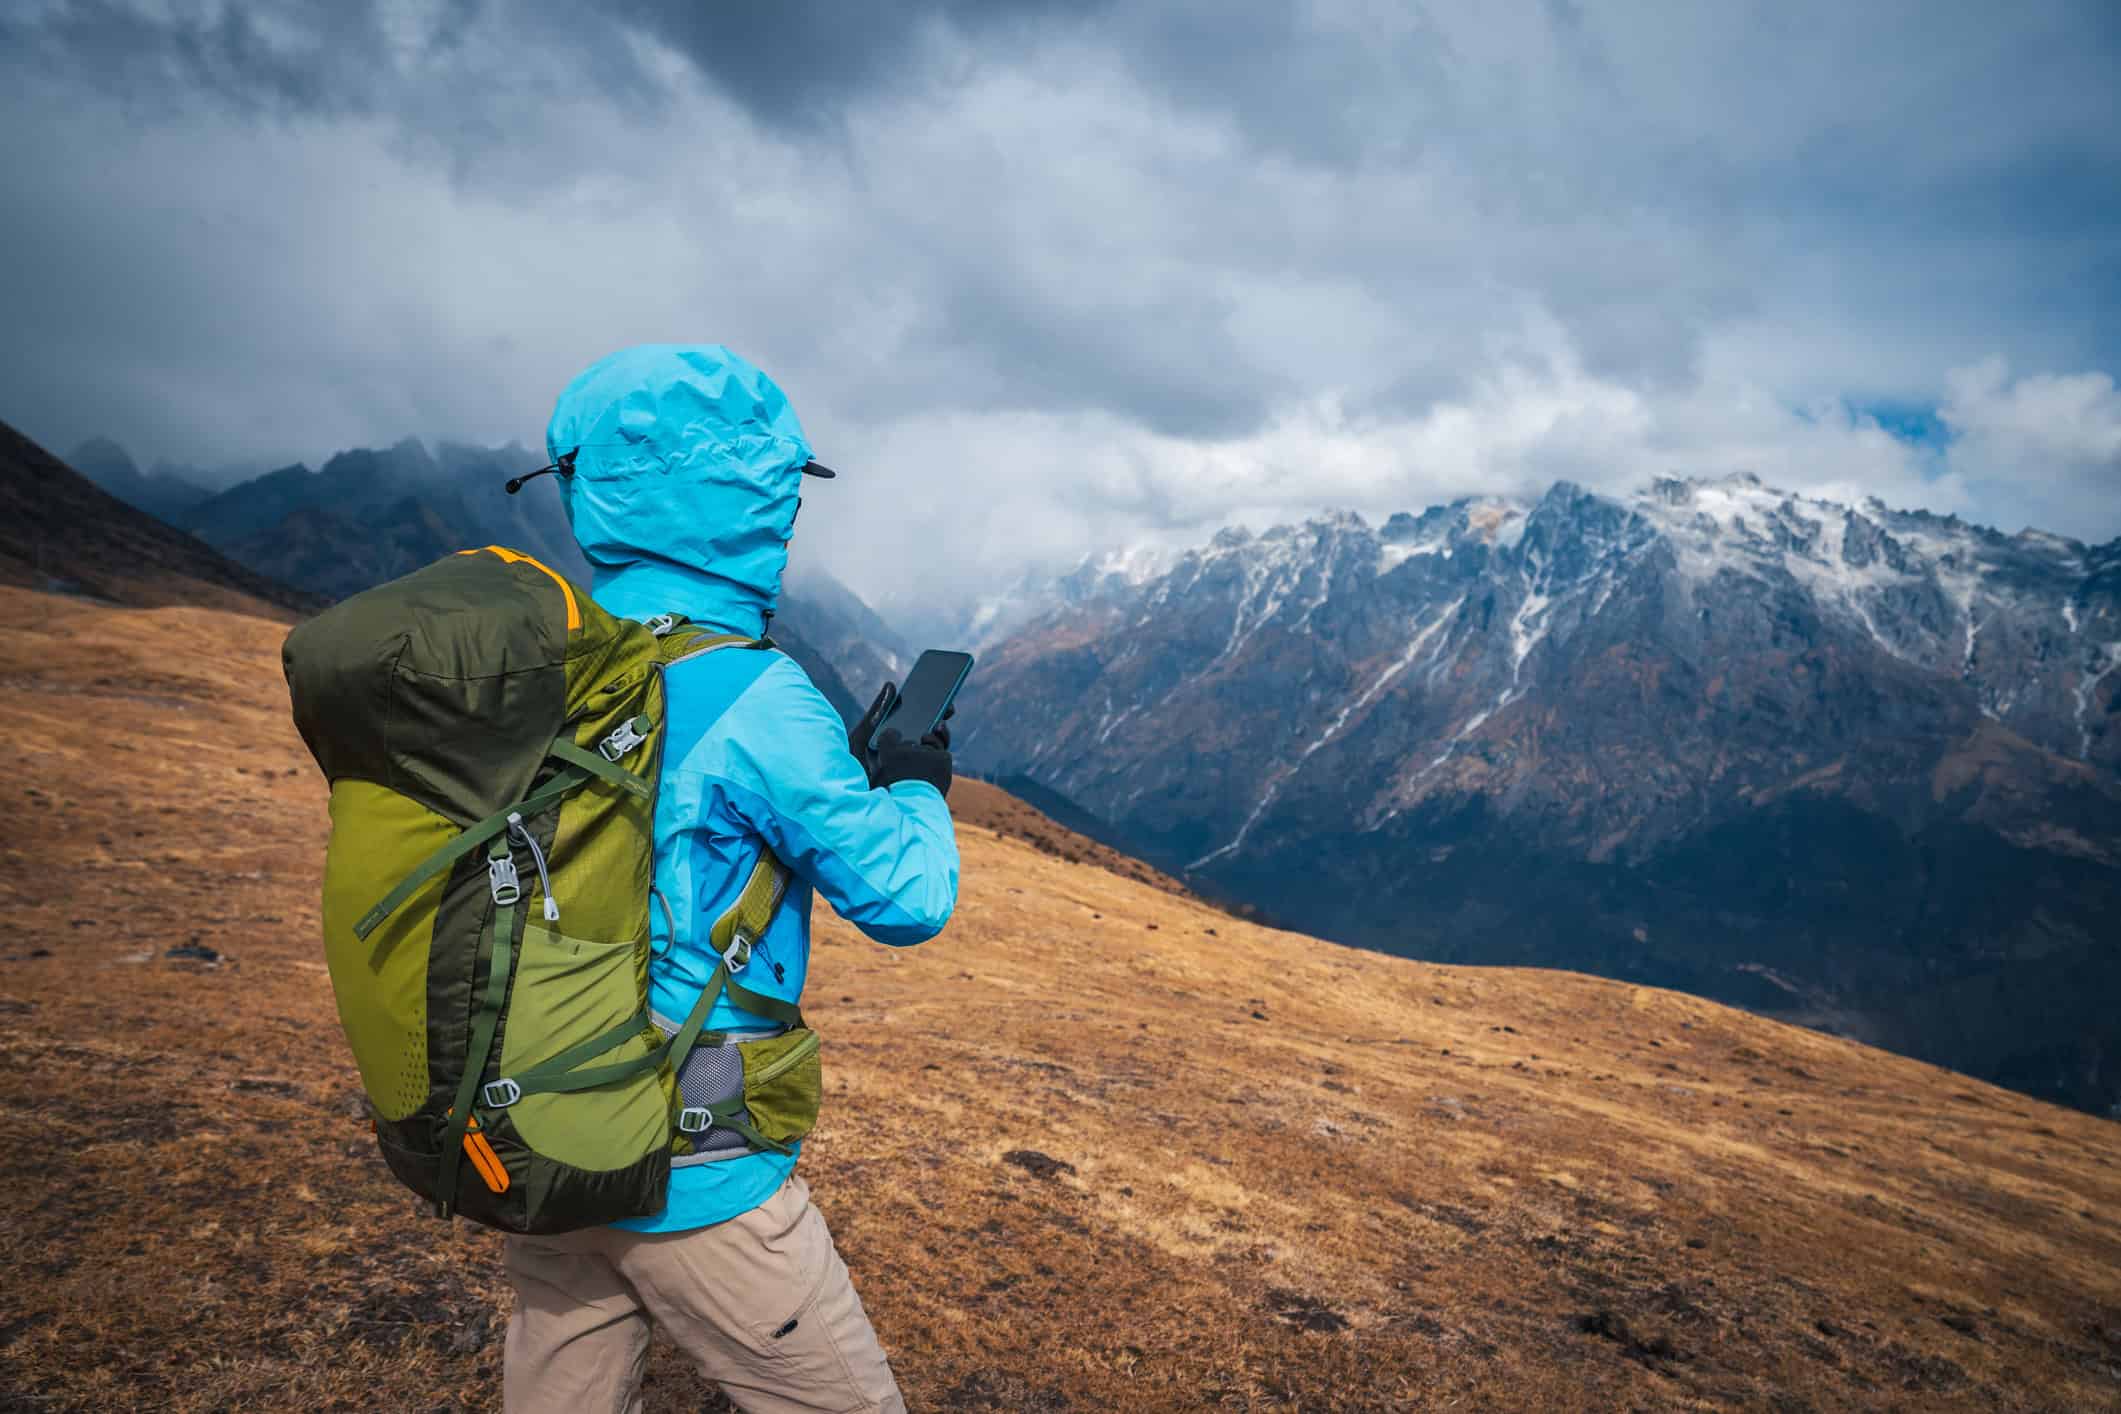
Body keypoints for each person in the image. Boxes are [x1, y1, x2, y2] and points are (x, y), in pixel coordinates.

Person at [501, 345, 958, 1414]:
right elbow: (907, 899)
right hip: (693, 1157)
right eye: (781, 484)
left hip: (548, 1115)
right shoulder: (756, 694)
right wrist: (916, 784)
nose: (793, 513)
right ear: (738, 495)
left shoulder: (539, 664)